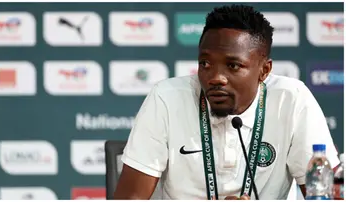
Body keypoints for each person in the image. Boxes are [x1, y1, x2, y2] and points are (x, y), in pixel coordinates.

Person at [113, 4, 340, 200]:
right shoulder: (166, 98)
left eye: (232, 66)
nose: (215, 78)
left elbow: (325, 194)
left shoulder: (291, 99)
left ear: (264, 70)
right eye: (205, 64)